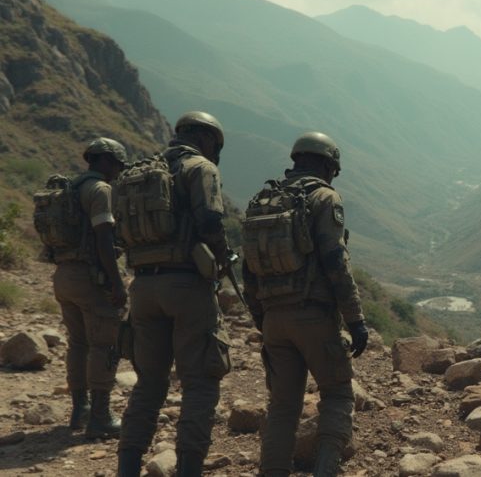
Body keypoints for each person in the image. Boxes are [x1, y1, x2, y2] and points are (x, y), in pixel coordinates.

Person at [241, 132, 368, 476]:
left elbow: (248, 273)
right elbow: (335, 262)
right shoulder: (324, 198)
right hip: (313, 315)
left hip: (274, 321)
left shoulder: (262, 200)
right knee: (338, 394)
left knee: (283, 408)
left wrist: (262, 320)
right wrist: (355, 319)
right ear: (328, 165)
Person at [117, 111, 232, 477]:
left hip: (143, 289)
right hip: (186, 286)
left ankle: (128, 467)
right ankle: (189, 469)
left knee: (149, 383)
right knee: (199, 381)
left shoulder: (140, 173)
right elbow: (211, 221)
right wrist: (224, 258)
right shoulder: (200, 168)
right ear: (208, 139)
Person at [46, 138, 128, 440]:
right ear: (107, 160)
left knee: (77, 344)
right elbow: (104, 238)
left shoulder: (70, 187)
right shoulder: (100, 190)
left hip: (63, 276)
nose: (118, 172)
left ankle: (79, 409)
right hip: (89, 278)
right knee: (104, 345)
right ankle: (101, 416)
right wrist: (117, 283)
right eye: (118, 165)